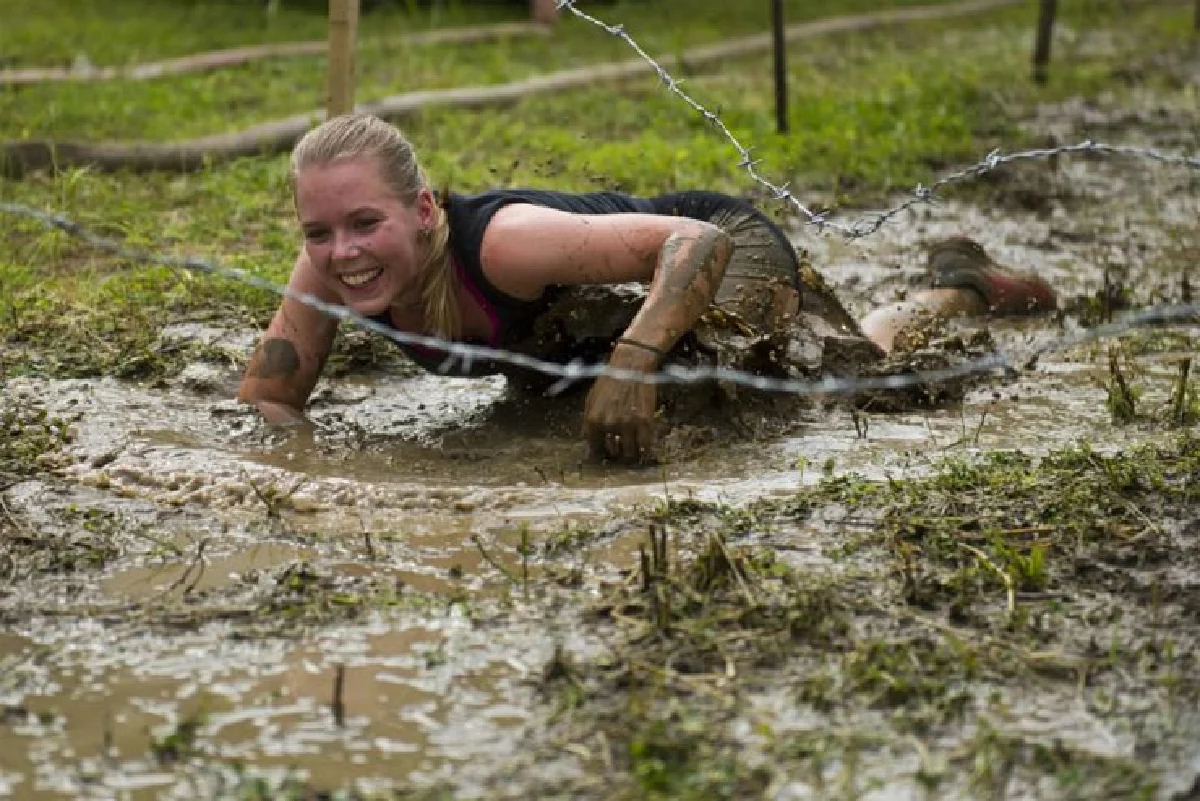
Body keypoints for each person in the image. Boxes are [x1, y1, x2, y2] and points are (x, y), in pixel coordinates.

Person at [236, 113, 1056, 463]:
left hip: (718, 247)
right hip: (644, 285)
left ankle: (961, 288)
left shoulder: (503, 246)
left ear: (421, 210)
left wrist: (629, 365)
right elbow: (270, 400)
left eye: (363, 224)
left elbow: (692, 243)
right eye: (319, 231)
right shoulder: (328, 273)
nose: (342, 253)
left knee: (848, 379)